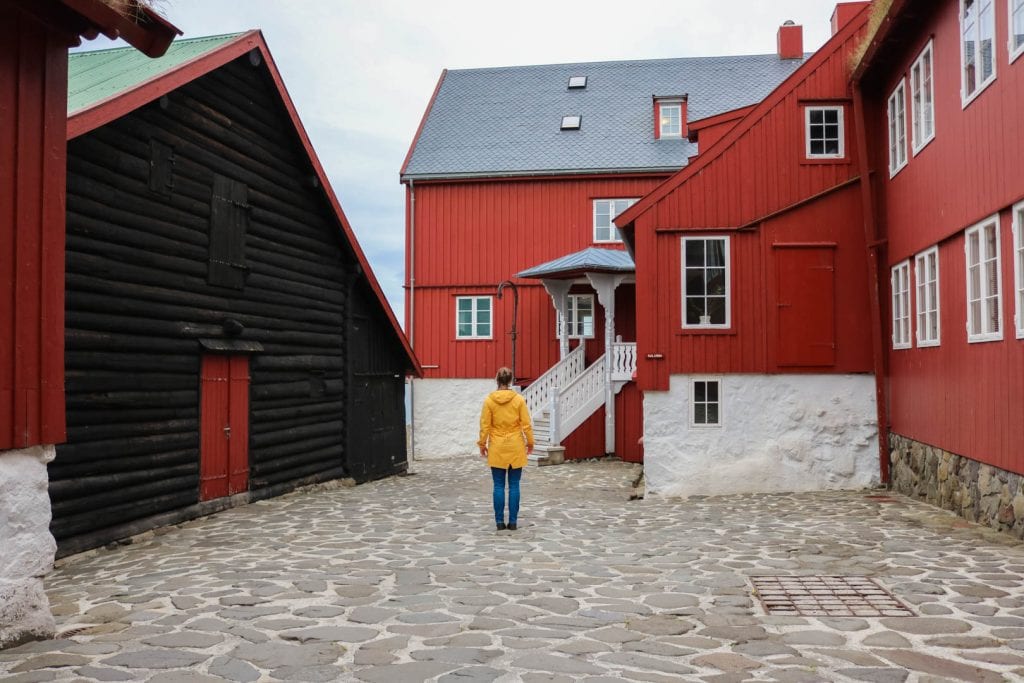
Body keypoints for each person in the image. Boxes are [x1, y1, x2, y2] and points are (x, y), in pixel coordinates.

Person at [477, 367, 534, 531]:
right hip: (515, 444)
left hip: (497, 446)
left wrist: (482, 444)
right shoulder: (518, 400)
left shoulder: (489, 401)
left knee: (498, 485)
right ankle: (513, 522)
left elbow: (485, 425)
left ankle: (499, 522)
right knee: (515, 485)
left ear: (497, 380)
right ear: (510, 381)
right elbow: (526, 425)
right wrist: (530, 443)